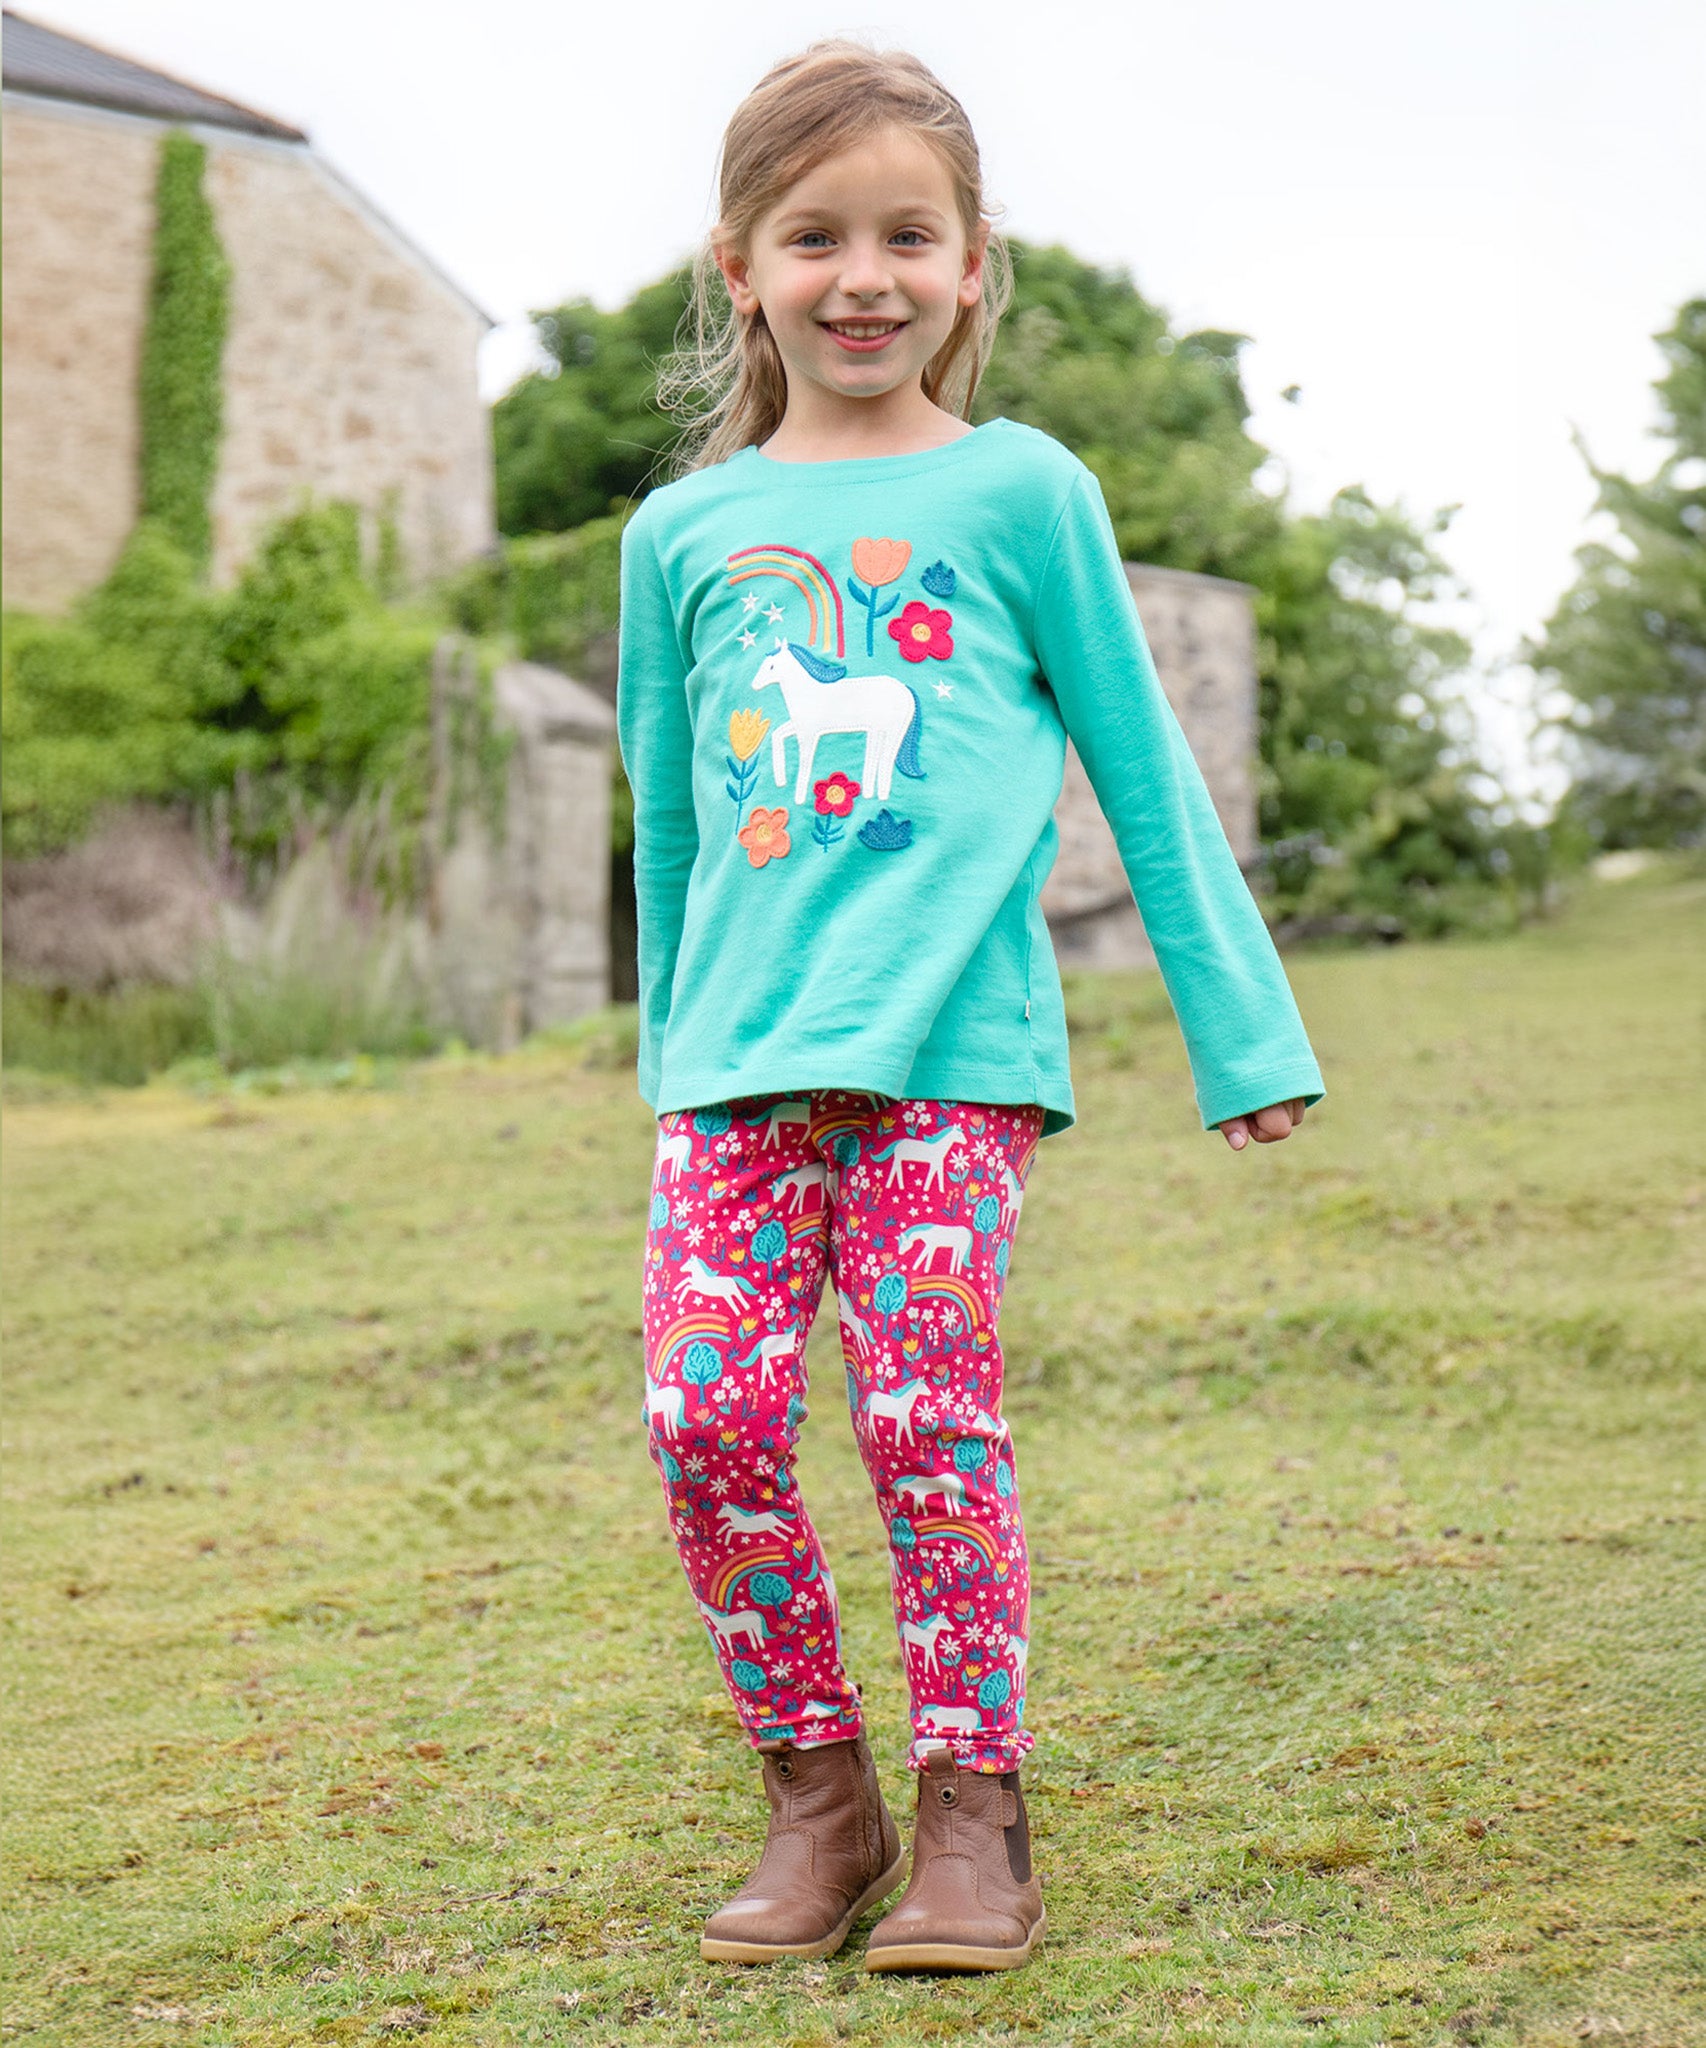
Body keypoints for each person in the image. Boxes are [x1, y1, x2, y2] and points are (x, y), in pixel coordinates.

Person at [616, 37, 1325, 1975]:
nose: (863, 273)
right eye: (815, 234)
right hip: (735, 1073)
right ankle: (813, 1798)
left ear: (971, 261)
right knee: (703, 1416)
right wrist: (675, 1057)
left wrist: (1238, 1029)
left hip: (953, 1058)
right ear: (739, 265)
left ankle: (968, 1825)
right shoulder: (679, 534)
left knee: (928, 1418)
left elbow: (1146, 771)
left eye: (904, 234)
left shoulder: (1025, 493)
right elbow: (670, 831)